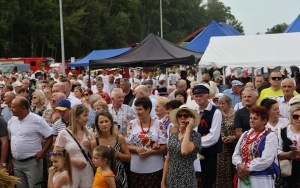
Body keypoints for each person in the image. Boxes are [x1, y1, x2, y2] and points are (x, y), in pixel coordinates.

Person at [7, 96, 53, 188]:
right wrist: (9, 159)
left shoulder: (37, 120)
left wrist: (43, 152)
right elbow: (10, 140)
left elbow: (50, 137)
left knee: (35, 186)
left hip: (32, 162)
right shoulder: (12, 121)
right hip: (16, 163)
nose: (11, 109)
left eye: (14, 107)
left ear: (23, 107)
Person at [232, 106, 280, 188]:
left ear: (264, 120)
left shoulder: (270, 135)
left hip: (261, 177)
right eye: (250, 118)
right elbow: (236, 154)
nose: (251, 120)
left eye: (255, 118)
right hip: (244, 176)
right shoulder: (245, 134)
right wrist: (239, 165)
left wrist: (247, 168)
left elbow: (267, 159)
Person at [125, 97, 167, 188]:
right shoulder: (132, 124)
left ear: (148, 109)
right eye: (136, 109)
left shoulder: (159, 124)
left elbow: (164, 147)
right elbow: (126, 145)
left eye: (140, 109)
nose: (137, 112)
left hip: (155, 168)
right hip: (136, 168)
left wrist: (151, 151)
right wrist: (136, 148)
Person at [54, 104, 95, 187]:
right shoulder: (64, 133)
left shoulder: (90, 133)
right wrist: (72, 160)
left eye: (87, 115)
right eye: (85, 115)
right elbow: (55, 153)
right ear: (76, 117)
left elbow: (94, 155)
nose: (87, 118)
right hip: (70, 169)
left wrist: (92, 146)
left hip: (87, 170)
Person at [161, 105, 201, 188]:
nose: (182, 118)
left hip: (187, 179)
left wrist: (188, 129)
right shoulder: (173, 136)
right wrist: (163, 181)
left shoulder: (196, 136)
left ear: (191, 118)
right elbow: (168, 160)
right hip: (171, 177)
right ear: (177, 118)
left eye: (186, 116)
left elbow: (184, 151)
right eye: (180, 115)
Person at [192, 84, 222, 188]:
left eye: (201, 95)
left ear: (207, 96)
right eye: (196, 96)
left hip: (209, 152)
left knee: (207, 181)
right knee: (197, 180)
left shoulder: (215, 111)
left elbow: (213, 136)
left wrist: (194, 143)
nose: (198, 98)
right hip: (195, 152)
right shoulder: (194, 111)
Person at [91, 111, 130, 188]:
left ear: (111, 123)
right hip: (103, 178)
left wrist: (117, 154)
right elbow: (94, 163)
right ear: (97, 125)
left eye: (106, 121)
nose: (104, 124)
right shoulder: (95, 142)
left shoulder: (119, 138)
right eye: (101, 122)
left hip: (119, 175)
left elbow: (128, 158)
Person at [278, 105, 300, 187]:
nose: (299, 119)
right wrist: (287, 154)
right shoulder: (283, 131)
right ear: (291, 117)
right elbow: (277, 149)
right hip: (287, 169)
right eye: (296, 116)